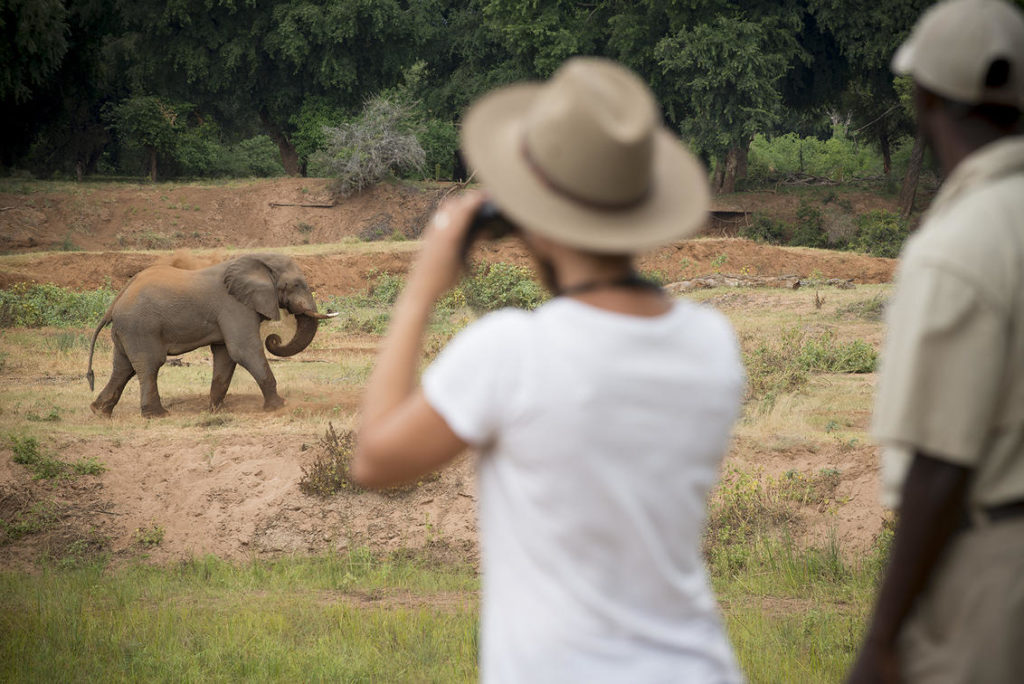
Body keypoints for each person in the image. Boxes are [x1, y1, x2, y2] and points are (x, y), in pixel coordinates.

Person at [351, 57, 745, 682]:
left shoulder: (510, 351)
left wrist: (422, 287)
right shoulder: (713, 343)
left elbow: (374, 459)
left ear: (534, 222)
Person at [848, 1, 1024, 681]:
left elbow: (939, 464)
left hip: (992, 567)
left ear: (923, 97)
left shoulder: (958, 246)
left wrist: (882, 638)